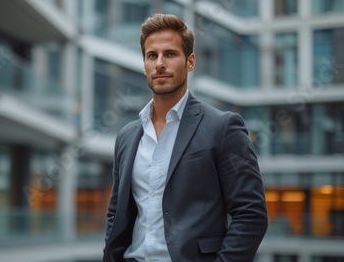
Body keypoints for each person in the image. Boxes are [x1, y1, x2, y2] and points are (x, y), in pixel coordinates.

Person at [103, 14, 268, 262]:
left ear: (190, 62)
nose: (160, 64)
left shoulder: (222, 127)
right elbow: (116, 213)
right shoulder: (127, 136)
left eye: (170, 54)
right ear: (144, 64)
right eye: (152, 55)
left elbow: (251, 214)